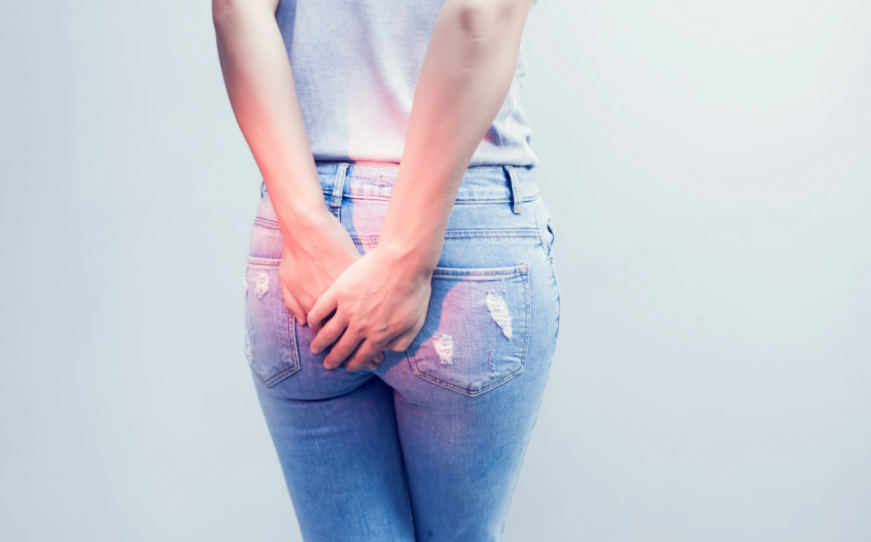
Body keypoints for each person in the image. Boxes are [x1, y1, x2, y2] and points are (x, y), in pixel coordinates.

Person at [213, 0, 559, 539]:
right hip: (458, 236)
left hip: (303, 243)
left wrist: (306, 227)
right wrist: (405, 255)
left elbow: (236, 9)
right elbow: (480, 16)